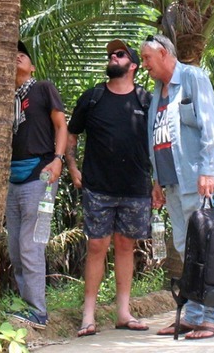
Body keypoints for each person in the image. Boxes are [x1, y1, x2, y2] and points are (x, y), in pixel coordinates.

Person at [0, 41, 68, 329]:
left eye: (23, 55)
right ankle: (26, 306)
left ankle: (38, 311)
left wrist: (59, 160)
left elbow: (61, 124)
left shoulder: (43, 88)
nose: (18, 56)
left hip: (41, 173)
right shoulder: (3, 100)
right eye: (13, 54)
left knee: (30, 244)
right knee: (16, 246)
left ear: (32, 66)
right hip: (12, 177)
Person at [141, 34, 214, 340]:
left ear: (163, 54)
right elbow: (157, 136)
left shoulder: (193, 77)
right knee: (185, 248)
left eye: (147, 59)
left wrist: (207, 170)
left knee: (204, 248)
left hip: (196, 178)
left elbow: (210, 126)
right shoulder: (157, 91)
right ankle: (192, 314)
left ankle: (213, 316)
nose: (144, 66)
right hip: (172, 182)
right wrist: (157, 180)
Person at [66, 39, 153, 337]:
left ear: (133, 66)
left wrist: (159, 183)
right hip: (98, 188)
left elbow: (159, 144)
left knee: (126, 247)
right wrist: (73, 167)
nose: (113, 57)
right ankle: (88, 316)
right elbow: (71, 135)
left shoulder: (147, 100)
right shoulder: (92, 98)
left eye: (120, 54)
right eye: (111, 55)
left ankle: (123, 313)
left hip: (136, 188)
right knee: (96, 246)